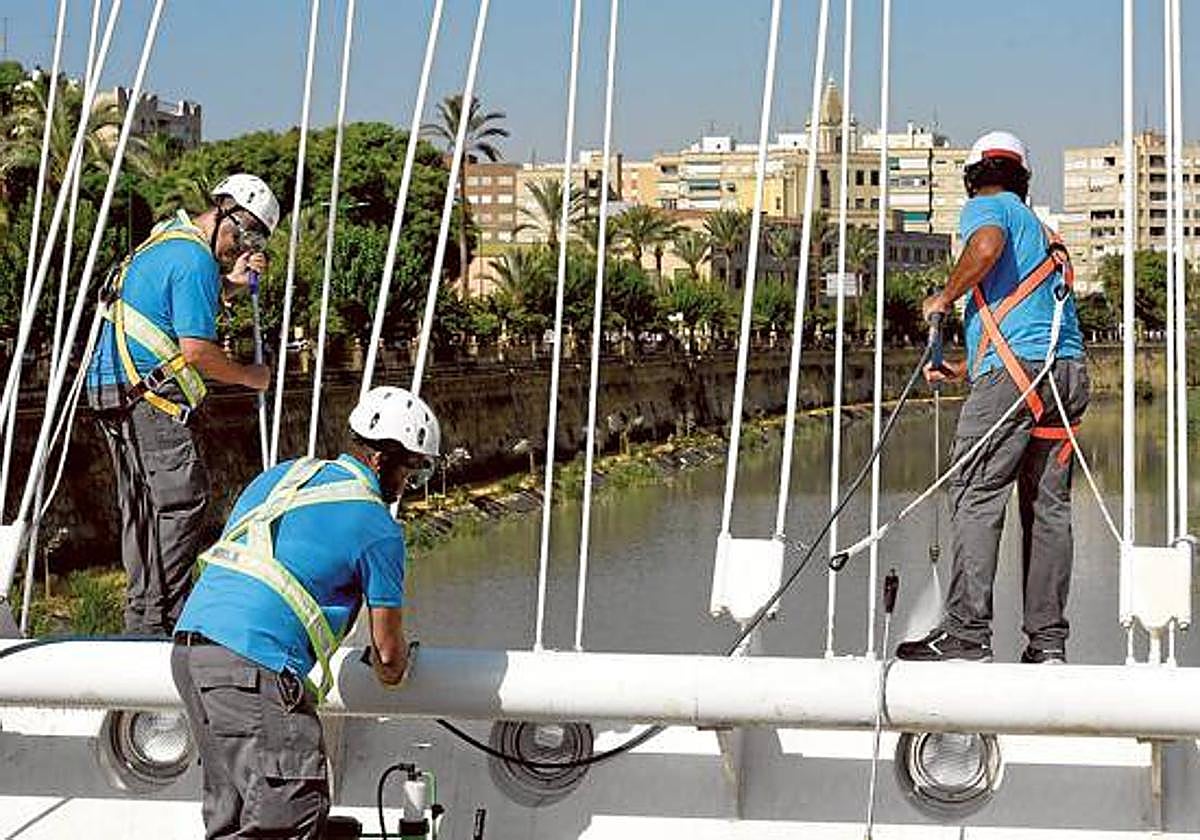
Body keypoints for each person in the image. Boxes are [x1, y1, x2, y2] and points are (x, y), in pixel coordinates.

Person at [171, 386, 439, 840]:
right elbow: (389, 661)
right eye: (410, 473)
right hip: (255, 665)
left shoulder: (278, 477)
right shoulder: (378, 527)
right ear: (382, 460)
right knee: (291, 812)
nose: (406, 488)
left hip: (193, 650)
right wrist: (395, 661)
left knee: (232, 816)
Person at [895, 131, 1089, 664]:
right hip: (1063, 377)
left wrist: (945, 295)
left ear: (975, 174)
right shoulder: (1046, 234)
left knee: (976, 496)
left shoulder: (988, 208)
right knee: (1048, 511)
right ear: (1023, 175)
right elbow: (1030, 319)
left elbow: (984, 249)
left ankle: (966, 635)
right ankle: (1047, 645)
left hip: (1017, 378)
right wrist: (968, 369)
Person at [86, 174, 279, 636]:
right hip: (150, 398)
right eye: (243, 236)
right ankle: (159, 620)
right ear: (229, 215)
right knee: (181, 501)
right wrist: (250, 376)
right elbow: (197, 352)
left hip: (115, 389)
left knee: (142, 508)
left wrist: (233, 285)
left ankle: (143, 613)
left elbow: (176, 303)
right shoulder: (193, 259)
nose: (238, 249)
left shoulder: (166, 242)